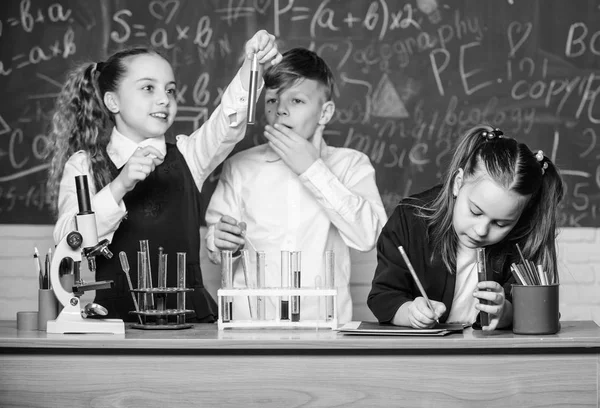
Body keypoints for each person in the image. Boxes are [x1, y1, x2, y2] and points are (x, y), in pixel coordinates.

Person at [47, 30, 282, 322]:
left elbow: (228, 121)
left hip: (190, 320)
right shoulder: (84, 164)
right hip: (116, 323)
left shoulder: (189, 154)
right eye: (148, 88)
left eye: (170, 90)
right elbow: (68, 242)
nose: (164, 99)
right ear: (112, 102)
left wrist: (251, 66)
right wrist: (119, 185)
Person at [205, 47, 387, 324]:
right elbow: (217, 247)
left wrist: (312, 170)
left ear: (324, 113)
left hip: (324, 330)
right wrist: (221, 241)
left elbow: (368, 237)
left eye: (297, 100)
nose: (281, 110)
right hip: (248, 329)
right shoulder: (239, 166)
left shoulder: (351, 165)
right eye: (272, 100)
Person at [367, 125, 564, 331]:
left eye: (500, 223)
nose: (481, 230)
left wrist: (505, 312)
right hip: (423, 357)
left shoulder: (524, 235)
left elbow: (542, 311)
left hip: (494, 356)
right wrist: (410, 313)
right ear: (457, 183)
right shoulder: (411, 218)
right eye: (475, 211)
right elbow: (383, 296)